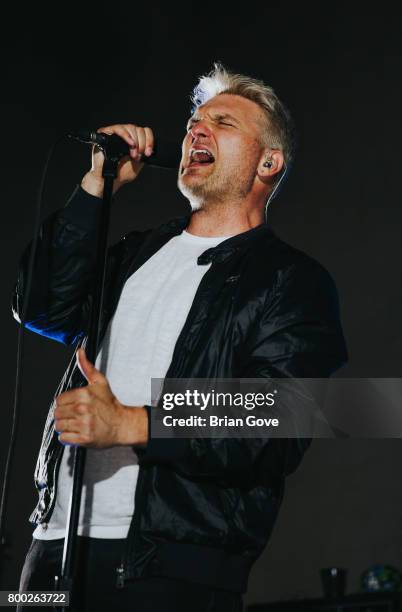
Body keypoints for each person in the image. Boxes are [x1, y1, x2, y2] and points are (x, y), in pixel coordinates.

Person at [14, 63, 348, 611]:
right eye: (194, 121)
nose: (198, 129)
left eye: (223, 122)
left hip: (168, 567)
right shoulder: (133, 253)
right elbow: (38, 305)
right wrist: (95, 189)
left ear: (269, 162)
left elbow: (283, 416)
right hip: (52, 552)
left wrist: (133, 422)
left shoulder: (290, 280)